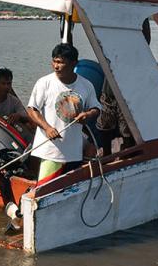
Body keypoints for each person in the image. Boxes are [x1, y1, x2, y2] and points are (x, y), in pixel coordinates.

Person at [25, 43, 101, 185]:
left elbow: (96, 107)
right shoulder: (44, 83)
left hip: (74, 152)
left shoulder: (86, 85)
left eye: (60, 62)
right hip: (51, 152)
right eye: (54, 61)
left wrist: (88, 114)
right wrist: (47, 128)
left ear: (74, 63)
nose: (56, 66)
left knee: (71, 190)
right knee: (44, 191)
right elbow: (31, 109)